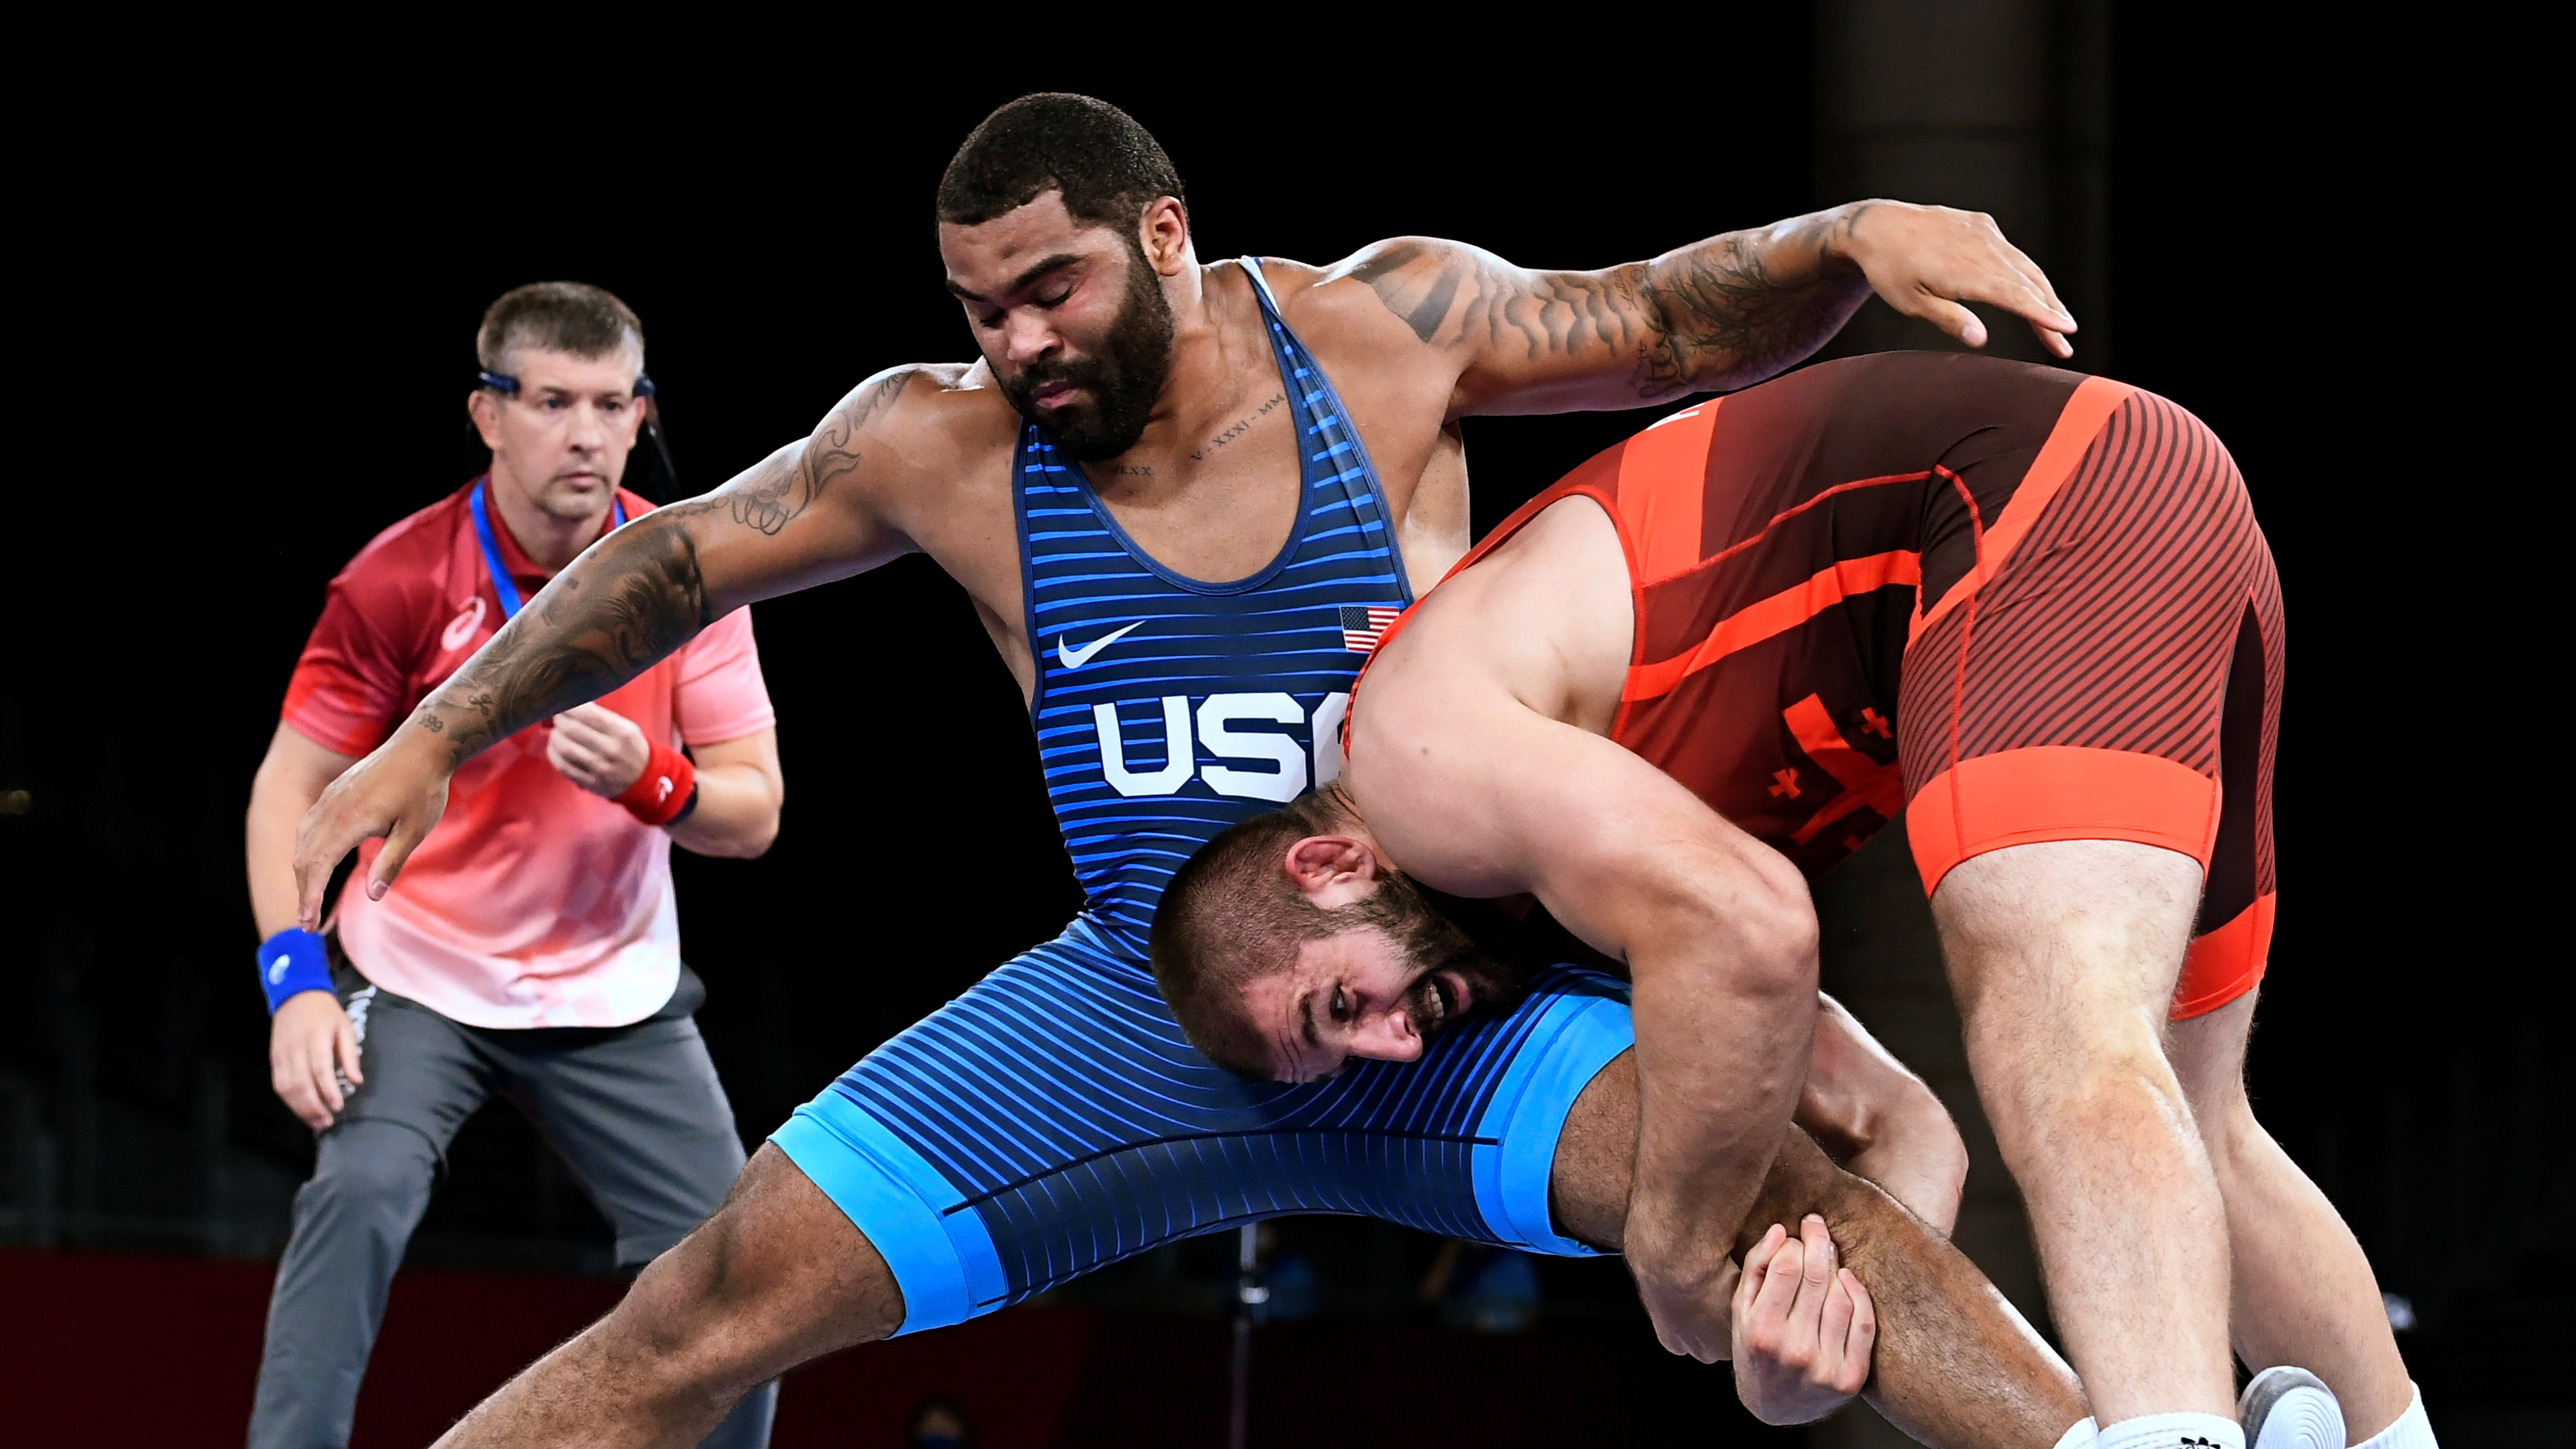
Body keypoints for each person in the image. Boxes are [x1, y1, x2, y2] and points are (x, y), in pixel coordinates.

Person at [288, 95, 2103, 1446]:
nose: (1019, 342)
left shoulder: (1385, 331)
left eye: (1050, 290)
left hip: (1447, 992)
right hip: (1133, 1003)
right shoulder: (941, 440)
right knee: (690, 1309)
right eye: (982, 306)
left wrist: (1851, 231)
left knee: (1817, 1213)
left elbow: (1665, 315)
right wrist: (437, 734)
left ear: (1164, 236)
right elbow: (678, 558)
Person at [1149, 350, 2435, 1449]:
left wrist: (1674, 1251)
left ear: (1325, 867)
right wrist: (1802, 1340)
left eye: (1337, 1006)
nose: (1393, 1042)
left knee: (2060, 1032)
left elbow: (1756, 920)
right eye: (1350, 1055)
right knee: (2199, 1120)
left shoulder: (1411, 757)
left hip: (2028, 503)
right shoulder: (1561, 874)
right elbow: (1903, 1126)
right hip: (2149, 508)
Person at [244, 283, 786, 1449]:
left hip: (613, 988)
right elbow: (288, 790)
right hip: (421, 971)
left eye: (610, 403)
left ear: (642, 415)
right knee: (359, 1194)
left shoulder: (689, 573)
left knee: (735, 1261)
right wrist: (295, 981)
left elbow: (753, 816)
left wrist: (659, 781)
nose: (584, 432)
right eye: (551, 401)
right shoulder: (396, 581)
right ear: (489, 415)